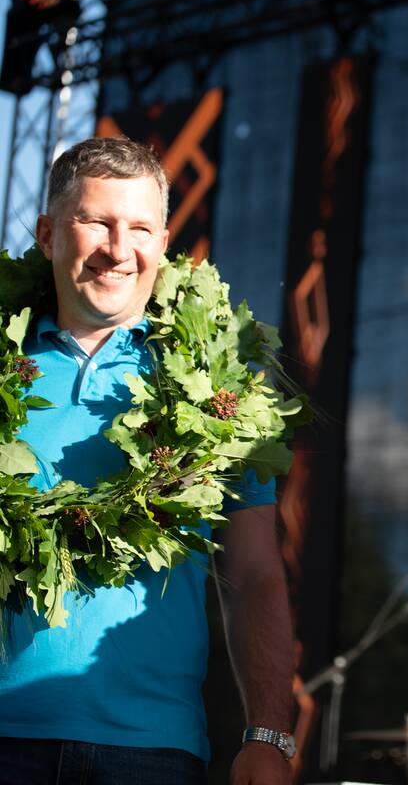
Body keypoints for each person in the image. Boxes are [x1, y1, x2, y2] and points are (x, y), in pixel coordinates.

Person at [0, 138, 296, 785]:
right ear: (48, 234)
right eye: (96, 221)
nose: (118, 248)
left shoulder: (217, 387)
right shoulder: (5, 356)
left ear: (162, 244)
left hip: (152, 753)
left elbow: (254, 575)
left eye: (139, 228)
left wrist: (269, 734)